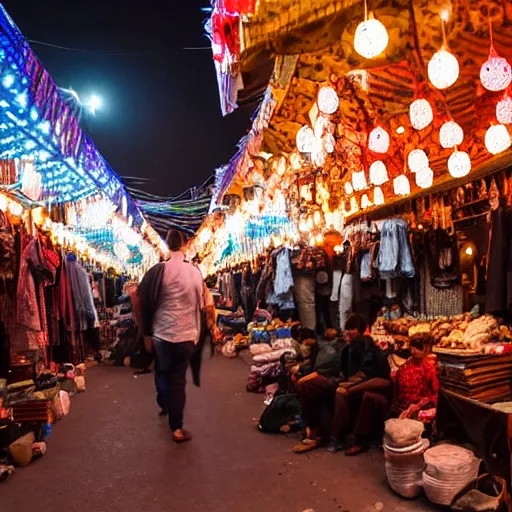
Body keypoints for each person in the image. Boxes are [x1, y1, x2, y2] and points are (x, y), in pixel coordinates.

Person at [139, 229, 204, 443]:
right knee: (178, 380)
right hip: (186, 334)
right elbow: (200, 304)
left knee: (162, 372)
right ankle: (176, 427)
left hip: (162, 334)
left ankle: (165, 402)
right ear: (185, 246)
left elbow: (141, 299)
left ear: (167, 246)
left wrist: (146, 334)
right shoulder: (194, 272)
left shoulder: (157, 271)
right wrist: (197, 332)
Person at [293, 314, 390, 454]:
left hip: (365, 389)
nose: (348, 332)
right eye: (347, 329)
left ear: (361, 331)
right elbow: (343, 375)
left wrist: (351, 388)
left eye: (352, 329)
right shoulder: (346, 350)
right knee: (307, 385)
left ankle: (337, 438)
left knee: (340, 393)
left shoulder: (375, 352)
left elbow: (384, 381)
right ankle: (315, 433)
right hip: (346, 383)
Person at [339, 332, 439, 456]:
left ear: (427, 349)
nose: (413, 350)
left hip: (417, 409)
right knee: (369, 397)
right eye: (412, 346)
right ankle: (360, 440)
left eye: (418, 347)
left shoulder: (429, 369)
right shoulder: (406, 365)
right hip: (397, 405)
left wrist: (414, 407)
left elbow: (433, 396)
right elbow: (394, 385)